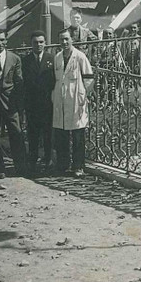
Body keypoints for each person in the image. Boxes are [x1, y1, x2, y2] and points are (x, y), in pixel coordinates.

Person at [0, 29, 27, 178]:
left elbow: (19, 83)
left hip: (10, 103)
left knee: (16, 133)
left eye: (2, 40)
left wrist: (19, 105)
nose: (0, 43)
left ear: (6, 41)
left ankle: (21, 167)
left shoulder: (14, 59)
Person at [53, 27, 94, 177]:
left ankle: (78, 166)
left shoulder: (80, 57)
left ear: (72, 40)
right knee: (61, 133)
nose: (64, 42)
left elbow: (89, 78)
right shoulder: (57, 57)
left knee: (78, 134)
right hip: (61, 100)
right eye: (61, 39)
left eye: (66, 39)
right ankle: (63, 165)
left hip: (77, 99)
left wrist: (84, 96)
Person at [22, 30, 56, 177]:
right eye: (36, 42)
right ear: (31, 44)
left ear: (45, 43)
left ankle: (48, 161)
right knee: (33, 135)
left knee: (48, 135)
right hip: (32, 105)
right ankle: (32, 163)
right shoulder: (25, 61)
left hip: (48, 103)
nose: (39, 45)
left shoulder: (52, 59)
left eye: (41, 42)